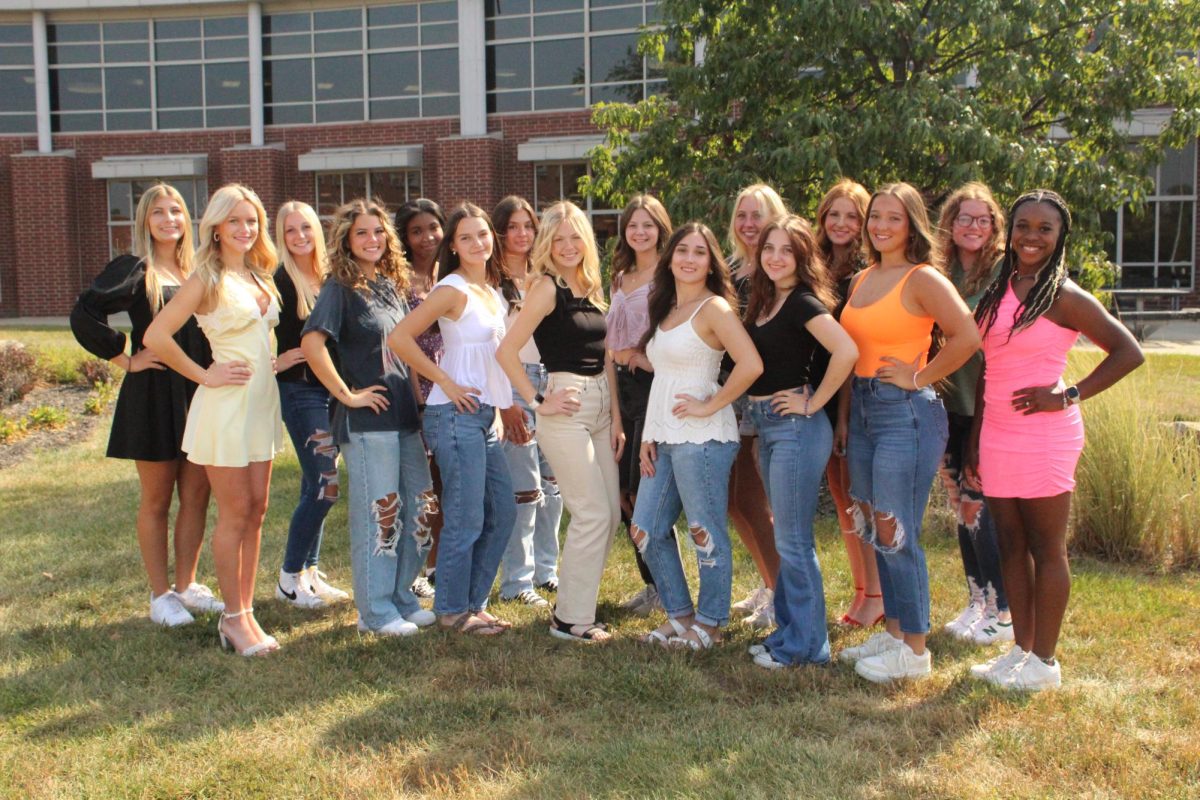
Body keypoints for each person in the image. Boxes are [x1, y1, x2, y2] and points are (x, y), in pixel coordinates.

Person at [967, 190, 1143, 690]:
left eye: (1045, 229)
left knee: (1047, 547)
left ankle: (1045, 663)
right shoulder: (999, 288)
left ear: (1060, 236)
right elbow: (987, 371)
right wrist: (977, 435)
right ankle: (1020, 650)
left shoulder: (1065, 296)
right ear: (1011, 230)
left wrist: (1067, 394)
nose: (1031, 237)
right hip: (998, 432)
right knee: (1009, 545)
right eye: (1024, 225)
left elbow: (1127, 352)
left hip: (1046, 436)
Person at [835, 182, 979, 682]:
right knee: (877, 528)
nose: (880, 226)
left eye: (893, 218)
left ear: (911, 224)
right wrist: (846, 419)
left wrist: (920, 376)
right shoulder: (862, 278)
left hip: (906, 415)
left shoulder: (923, 279)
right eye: (875, 217)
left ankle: (915, 651)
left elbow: (968, 336)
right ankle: (894, 634)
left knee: (897, 530)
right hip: (866, 412)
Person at [70, 183, 222, 627]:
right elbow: (85, 312)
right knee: (157, 499)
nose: (169, 219)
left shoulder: (201, 268)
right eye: (159, 212)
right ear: (145, 221)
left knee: (197, 495)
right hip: (154, 393)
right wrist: (125, 359)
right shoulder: (136, 269)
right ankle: (160, 597)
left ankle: (187, 586)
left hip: (200, 391)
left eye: (176, 211)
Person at [144, 183, 285, 657]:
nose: (245, 229)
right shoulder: (206, 277)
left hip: (262, 406)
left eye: (252, 221)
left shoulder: (261, 275)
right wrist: (205, 373)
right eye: (235, 221)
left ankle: (246, 610)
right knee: (236, 510)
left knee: (258, 510)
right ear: (216, 228)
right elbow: (157, 335)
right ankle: (233, 618)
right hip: (225, 408)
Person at [300, 198, 434, 637]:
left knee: (421, 505)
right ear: (345, 239)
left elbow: (406, 353)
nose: (372, 240)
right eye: (361, 232)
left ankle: (400, 596)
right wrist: (347, 395)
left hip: (404, 417)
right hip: (367, 422)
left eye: (378, 232)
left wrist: (418, 407)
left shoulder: (391, 286)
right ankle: (374, 613)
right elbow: (313, 344)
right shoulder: (340, 288)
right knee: (381, 514)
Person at [631, 222, 763, 650]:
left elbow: (750, 364)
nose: (689, 258)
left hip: (704, 438)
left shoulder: (715, 309)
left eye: (700, 252)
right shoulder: (666, 308)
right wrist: (649, 435)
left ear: (710, 263)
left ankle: (710, 624)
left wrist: (711, 404)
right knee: (646, 529)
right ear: (670, 259)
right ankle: (681, 615)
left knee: (704, 530)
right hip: (664, 436)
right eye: (682, 250)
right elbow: (664, 378)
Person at [497, 201, 624, 643]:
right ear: (548, 243)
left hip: (602, 410)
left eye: (576, 237)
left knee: (608, 517)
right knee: (591, 513)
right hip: (565, 410)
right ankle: (572, 620)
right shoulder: (547, 288)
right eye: (560, 238)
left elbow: (605, 356)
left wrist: (617, 419)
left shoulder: (589, 286)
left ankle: (572, 605)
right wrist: (536, 401)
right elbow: (506, 352)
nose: (569, 246)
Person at [390, 203, 517, 636]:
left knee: (502, 511)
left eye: (482, 234)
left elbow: (493, 359)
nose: (477, 243)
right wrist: (445, 379)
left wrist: (499, 409)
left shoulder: (492, 290)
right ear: (454, 245)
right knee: (465, 518)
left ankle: (472, 604)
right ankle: (450, 611)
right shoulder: (452, 289)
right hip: (453, 413)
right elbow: (399, 337)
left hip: (483, 417)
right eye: (466, 237)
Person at [743, 216, 858, 669]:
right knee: (785, 536)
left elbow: (847, 351)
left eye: (786, 250)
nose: (774, 257)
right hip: (770, 426)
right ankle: (790, 633)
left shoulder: (803, 302)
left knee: (793, 541)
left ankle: (808, 647)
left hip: (796, 429)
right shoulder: (768, 300)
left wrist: (814, 403)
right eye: (769, 247)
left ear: (802, 256)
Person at [934, 183, 1011, 644]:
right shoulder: (939, 270)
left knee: (979, 505)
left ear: (994, 226)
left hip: (984, 403)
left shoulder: (1002, 271)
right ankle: (976, 601)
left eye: (983, 220)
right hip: (946, 403)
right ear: (951, 222)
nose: (974, 227)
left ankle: (1003, 610)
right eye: (965, 218)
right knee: (961, 506)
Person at [271, 200, 350, 609]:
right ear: (281, 238)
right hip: (301, 392)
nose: (300, 236)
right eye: (290, 230)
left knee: (313, 483)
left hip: (334, 392)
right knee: (325, 485)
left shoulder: (331, 277)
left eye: (306, 228)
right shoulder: (279, 280)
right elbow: (249, 332)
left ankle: (310, 574)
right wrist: (274, 361)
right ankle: (288, 579)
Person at [814, 179, 883, 629]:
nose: (841, 224)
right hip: (822, 393)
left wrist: (841, 414)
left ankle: (876, 596)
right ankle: (862, 593)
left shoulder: (866, 273)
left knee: (862, 498)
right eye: (833, 215)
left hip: (856, 395)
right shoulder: (816, 267)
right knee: (842, 498)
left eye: (852, 216)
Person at [492, 195, 563, 608]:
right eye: (513, 227)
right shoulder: (489, 281)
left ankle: (546, 571)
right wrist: (506, 401)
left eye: (528, 226)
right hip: (513, 381)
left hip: (550, 380)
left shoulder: (545, 275)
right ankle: (517, 582)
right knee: (525, 487)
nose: (522, 234)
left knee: (554, 485)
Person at [606, 194, 673, 617]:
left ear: (660, 228)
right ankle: (652, 583)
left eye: (648, 224)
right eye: (633, 224)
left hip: (654, 389)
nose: (640, 232)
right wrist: (614, 411)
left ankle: (668, 588)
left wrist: (642, 358)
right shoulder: (619, 277)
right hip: (623, 394)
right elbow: (609, 348)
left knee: (646, 492)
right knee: (624, 494)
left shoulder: (670, 275)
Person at [724, 183, 787, 628]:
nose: (749, 224)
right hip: (728, 397)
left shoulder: (776, 272)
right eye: (742, 215)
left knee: (753, 500)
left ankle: (782, 596)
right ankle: (770, 584)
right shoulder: (729, 269)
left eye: (758, 216)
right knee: (734, 501)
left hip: (763, 402)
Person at [395, 199, 446, 599]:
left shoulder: (452, 276)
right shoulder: (400, 281)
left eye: (433, 227)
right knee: (421, 487)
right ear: (405, 238)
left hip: (454, 387)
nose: (427, 236)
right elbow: (403, 344)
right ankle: (413, 565)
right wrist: (418, 399)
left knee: (447, 485)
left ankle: (438, 566)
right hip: (419, 388)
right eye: (417, 230)